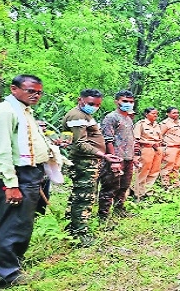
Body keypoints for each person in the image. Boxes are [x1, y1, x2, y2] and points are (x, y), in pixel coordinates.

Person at [0, 75, 50, 287]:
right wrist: (11, 184)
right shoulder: (5, 112)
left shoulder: (24, 110)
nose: (35, 95)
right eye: (30, 91)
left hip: (32, 174)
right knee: (12, 223)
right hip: (18, 175)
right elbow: (0, 151)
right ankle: (4, 275)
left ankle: (13, 265)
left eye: (39, 92)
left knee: (23, 222)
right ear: (14, 89)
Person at [62, 89, 121, 245]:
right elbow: (80, 143)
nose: (94, 107)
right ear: (80, 100)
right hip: (84, 162)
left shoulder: (85, 115)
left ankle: (71, 227)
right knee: (84, 197)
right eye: (91, 104)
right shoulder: (77, 116)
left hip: (90, 161)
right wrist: (103, 155)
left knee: (80, 195)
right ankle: (81, 233)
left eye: (97, 105)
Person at [98, 90, 135, 220]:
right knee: (110, 188)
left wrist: (133, 157)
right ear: (116, 101)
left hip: (128, 158)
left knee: (123, 187)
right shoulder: (111, 117)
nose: (128, 104)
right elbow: (108, 139)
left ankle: (119, 210)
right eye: (125, 101)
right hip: (115, 158)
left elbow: (130, 138)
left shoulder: (128, 118)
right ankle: (104, 216)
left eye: (131, 102)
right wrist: (113, 160)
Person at [132, 107, 163, 200]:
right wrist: (149, 143)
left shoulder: (157, 125)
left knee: (154, 171)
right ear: (146, 114)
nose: (155, 115)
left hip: (157, 149)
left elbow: (160, 137)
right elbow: (136, 139)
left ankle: (148, 191)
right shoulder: (141, 124)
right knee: (143, 170)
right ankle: (138, 193)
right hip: (146, 148)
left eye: (156, 114)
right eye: (153, 113)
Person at [160, 107, 180, 188]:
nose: (176, 114)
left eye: (177, 113)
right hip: (170, 148)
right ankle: (165, 184)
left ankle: (176, 183)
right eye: (174, 113)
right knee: (168, 166)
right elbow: (160, 135)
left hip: (179, 147)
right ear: (168, 114)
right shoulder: (165, 123)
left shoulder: (179, 122)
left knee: (177, 166)